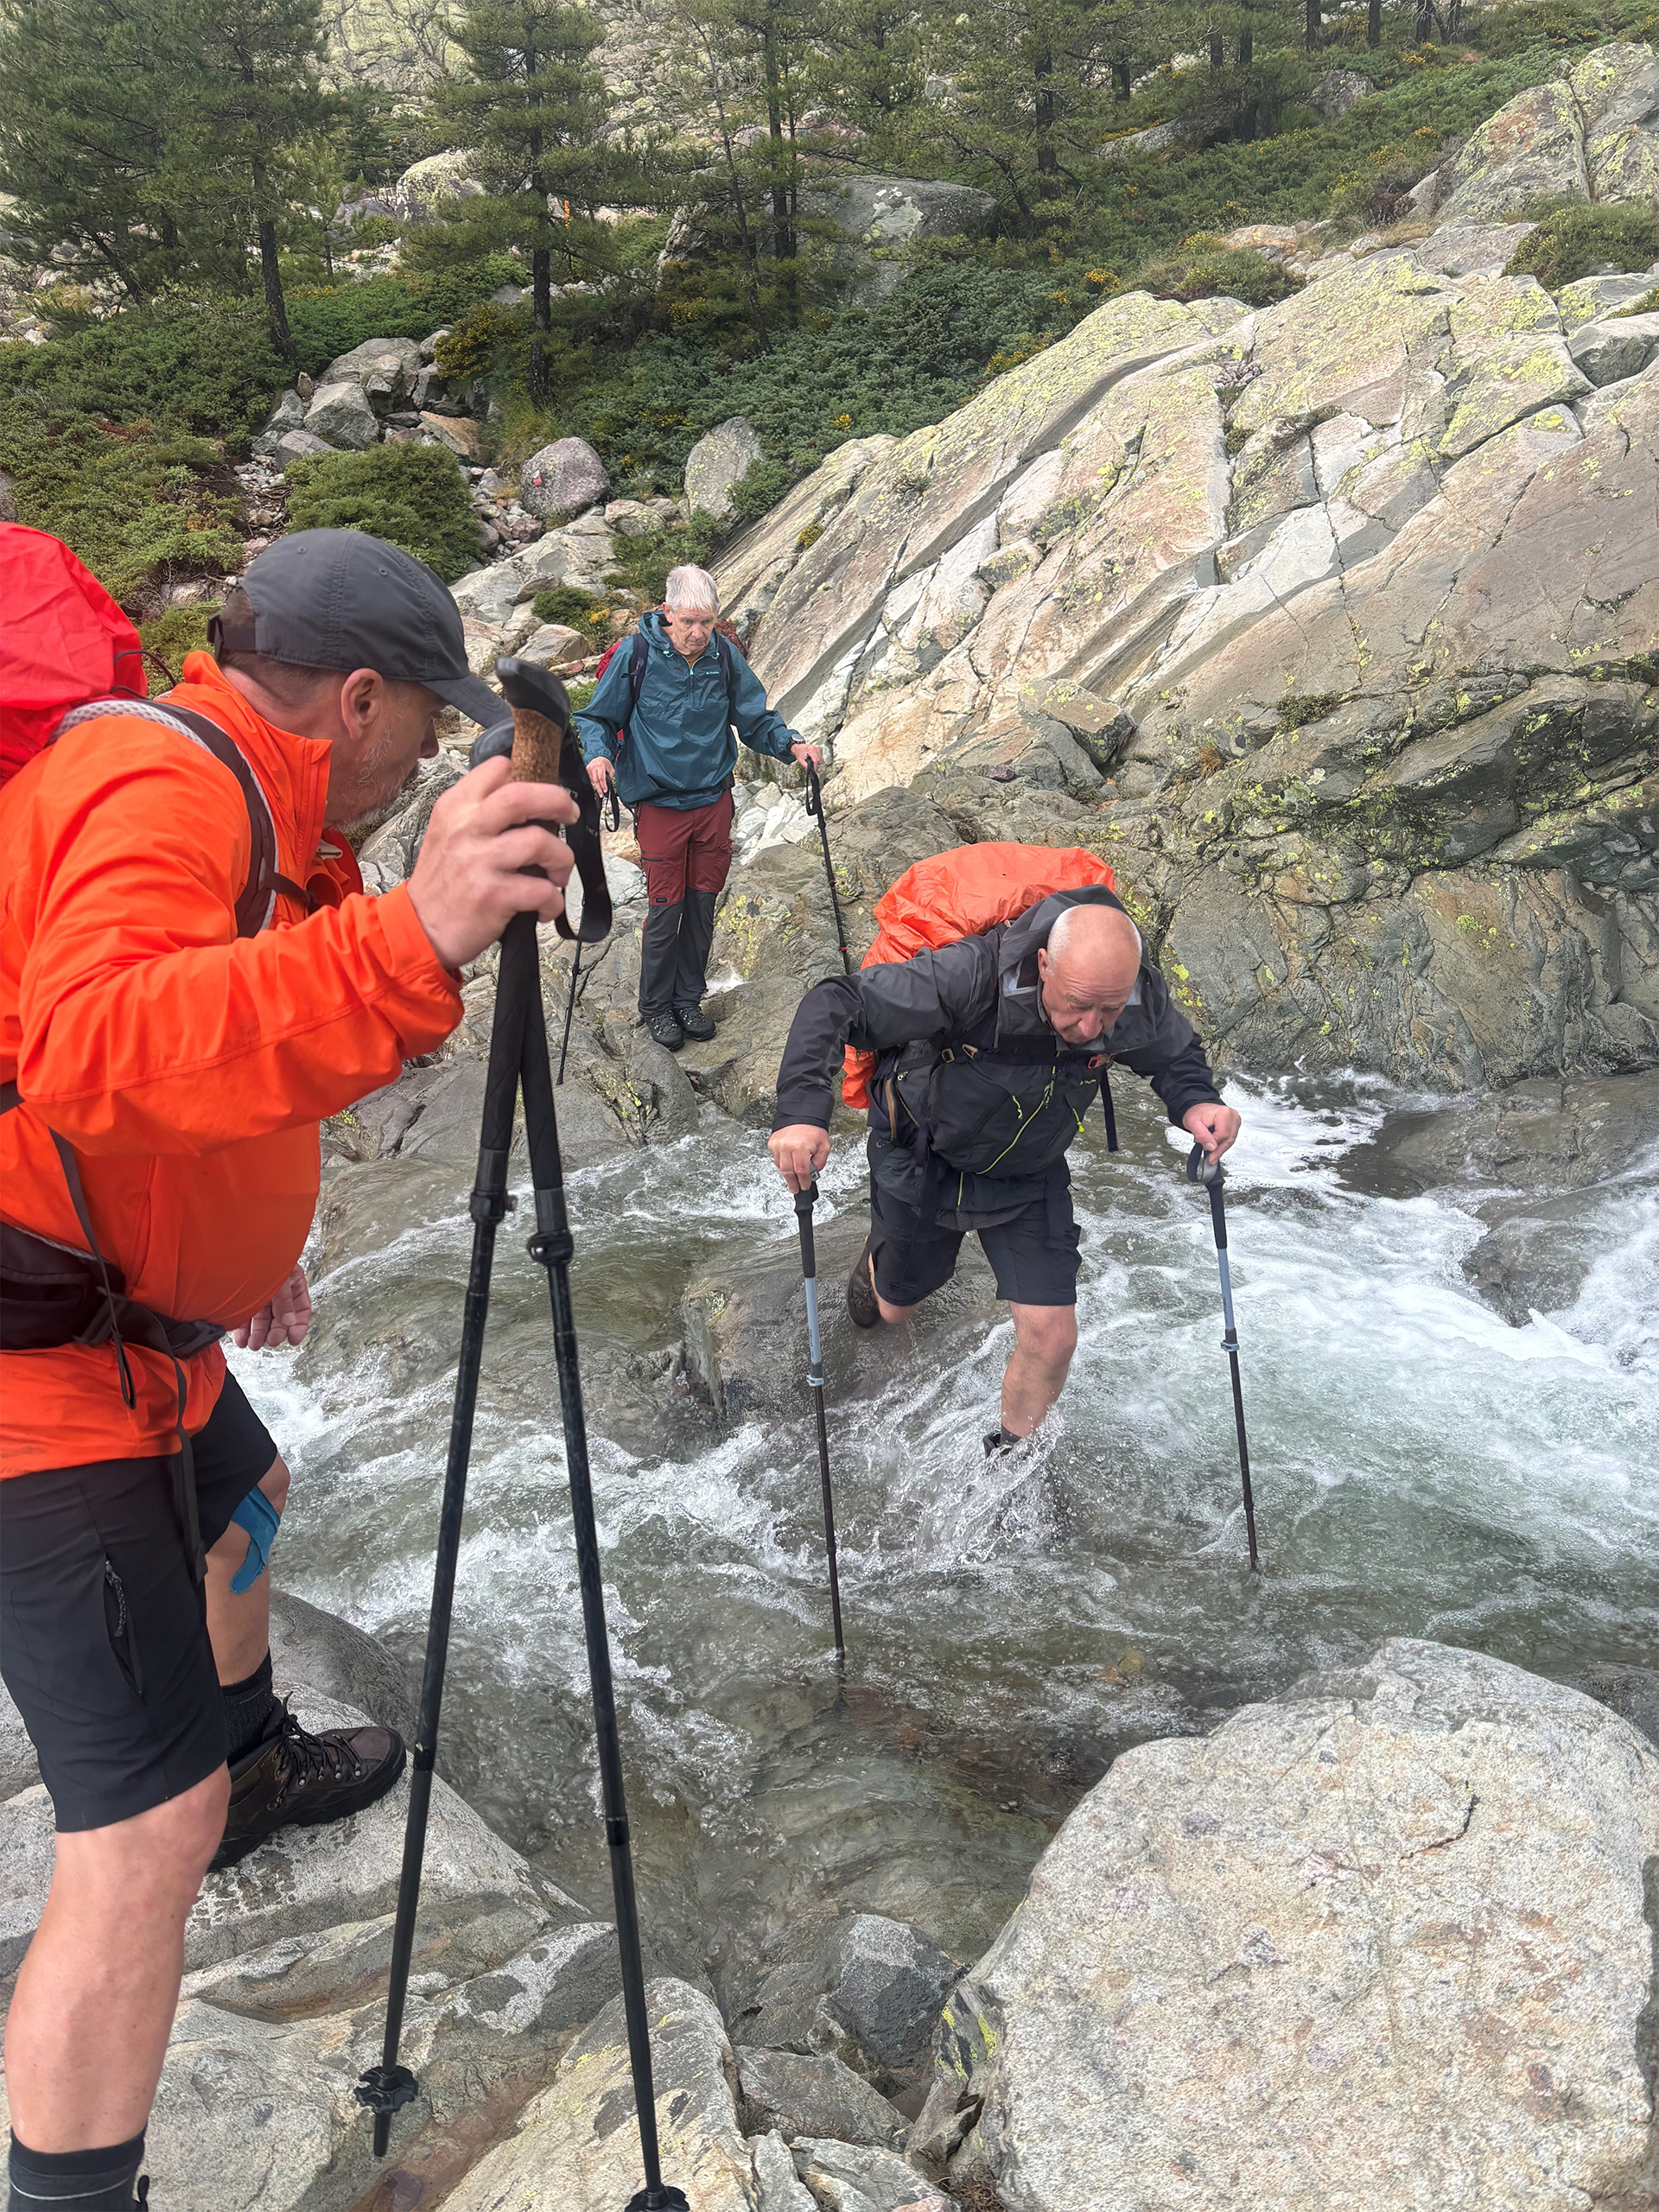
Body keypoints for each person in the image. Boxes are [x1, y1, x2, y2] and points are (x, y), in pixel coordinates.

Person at [0, 528, 578, 2212]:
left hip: (123, 1322)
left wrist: (232, 1248)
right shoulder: (160, 779)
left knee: (248, 1492)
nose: (416, 765)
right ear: (357, 696)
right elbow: (96, 1042)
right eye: (419, 725)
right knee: (135, 1841)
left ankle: (246, 1756)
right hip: (35, 1374)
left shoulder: (258, 806)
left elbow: (178, 1050)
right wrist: (412, 934)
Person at [767, 880, 1242, 1448]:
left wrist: (1196, 1102)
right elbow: (836, 1002)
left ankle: (1008, 1459)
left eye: (1108, 1011)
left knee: (1052, 1337)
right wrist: (801, 1112)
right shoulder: (969, 976)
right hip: (924, 1158)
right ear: (1043, 964)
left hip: (1028, 1169)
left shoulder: (1129, 994)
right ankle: (876, 1268)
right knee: (895, 1308)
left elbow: (1173, 1053)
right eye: (1076, 1004)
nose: (1091, 1027)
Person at [574, 563, 821, 1052]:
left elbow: (754, 719)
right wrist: (598, 754)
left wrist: (792, 744)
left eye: (706, 622)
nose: (697, 633)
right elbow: (597, 717)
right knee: (667, 907)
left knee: (703, 904)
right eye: (687, 621)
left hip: (713, 799)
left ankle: (688, 999)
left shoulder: (723, 657)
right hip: (661, 803)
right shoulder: (636, 654)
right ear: (667, 613)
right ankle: (655, 1008)